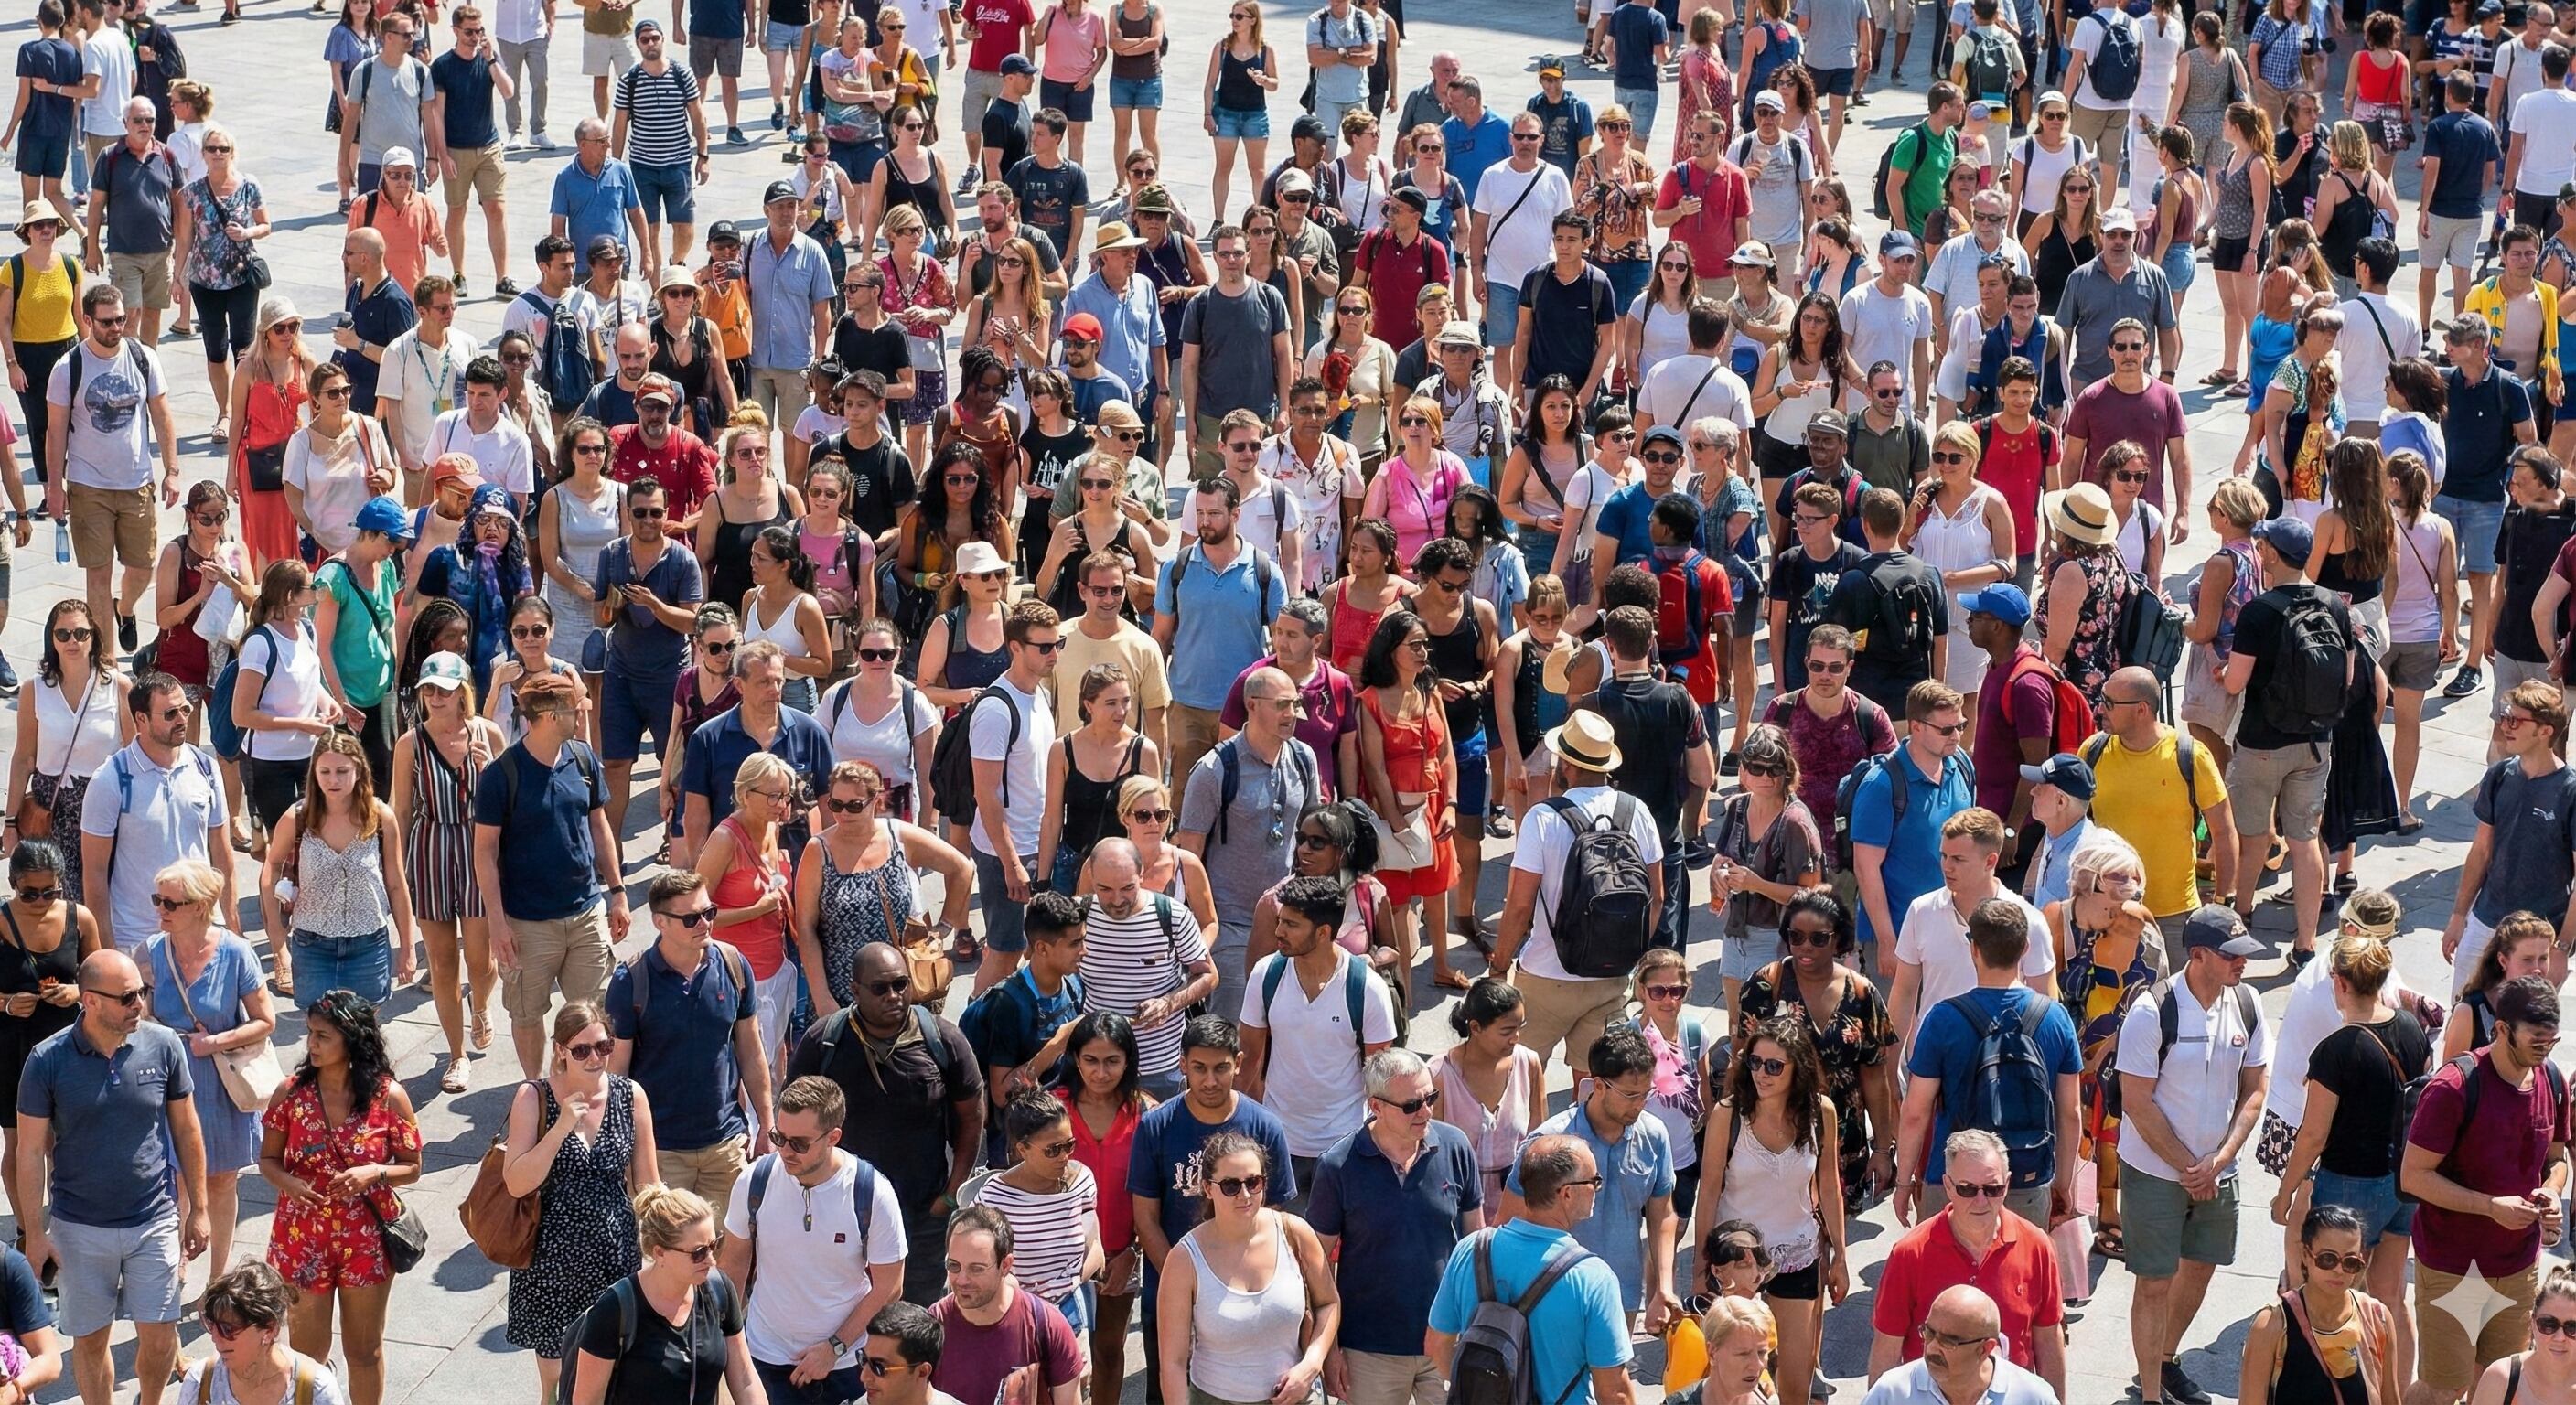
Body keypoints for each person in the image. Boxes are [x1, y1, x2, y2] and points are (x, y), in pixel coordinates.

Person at [16, 949, 209, 1405]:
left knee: (160, 1338)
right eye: (126, 998)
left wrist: (199, 1209)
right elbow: (28, 1151)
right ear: (90, 1000)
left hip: (154, 1219)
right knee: (90, 1342)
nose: (139, 1004)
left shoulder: (164, 1045)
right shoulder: (47, 1059)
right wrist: (34, 1234)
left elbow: (187, 1129)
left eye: (141, 992)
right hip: (79, 1227)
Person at [2117, 906, 2273, 1405]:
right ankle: (2149, 1395)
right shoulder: (2152, 1011)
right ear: (2198, 954)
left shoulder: (2247, 1003)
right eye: (2232, 954)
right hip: (2155, 1171)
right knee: (2155, 1281)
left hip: (2217, 1170)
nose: (2243, 962)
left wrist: (2221, 1159)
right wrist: (2191, 1167)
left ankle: (2163, 1361)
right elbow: (2137, 1102)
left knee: (2201, 1265)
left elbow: (2255, 1089)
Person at [785, 940, 985, 1306]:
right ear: (855, 990)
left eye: (900, 984)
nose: (893, 996)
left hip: (922, 1216)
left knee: (916, 1318)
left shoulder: (943, 1040)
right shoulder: (824, 1042)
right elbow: (792, 1122)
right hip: (842, 1215)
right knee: (845, 1311)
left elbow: (972, 1118)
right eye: (880, 988)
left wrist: (949, 1196)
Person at [2405, 974, 2572, 1405]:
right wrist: (2489, 1206)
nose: (2545, 1051)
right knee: (2446, 1387)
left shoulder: (2552, 1080)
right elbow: (2414, 1176)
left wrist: (2551, 1190)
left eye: (2552, 1041)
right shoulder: (2454, 1087)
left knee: (2502, 1384)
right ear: (2501, 1029)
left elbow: (2557, 1158)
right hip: (2452, 1265)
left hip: (2518, 1266)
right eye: (2536, 1041)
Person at [256, 992, 422, 1405]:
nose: (311, 1044)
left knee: (365, 1351)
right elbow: (268, 1160)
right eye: (310, 1033)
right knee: (307, 1357)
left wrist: (373, 1173)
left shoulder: (389, 1096)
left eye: (322, 1036)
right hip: (302, 1238)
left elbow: (412, 1167)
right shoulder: (290, 1094)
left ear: (352, 1041)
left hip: (365, 1241)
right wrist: (289, 1183)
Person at [1127, 1017, 1293, 1405]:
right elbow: (1146, 1219)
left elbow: (1273, 1216)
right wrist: (1184, 1286)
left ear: (1238, 1063)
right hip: (1169, 1292)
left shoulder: (1265, 1127)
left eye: (1221, 1068)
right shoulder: (1155, 1127)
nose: (1210, 1080)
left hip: (1243, 1301)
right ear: (1182, 1064)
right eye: (1199, 1068)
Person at [474, 670, 628, 1079]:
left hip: (586, 913)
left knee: (593, 1013)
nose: (582, 714)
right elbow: (484, 853)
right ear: (549, 716)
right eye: (575, 708)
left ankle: (584, 1088)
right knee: (527, 1013)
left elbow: (600, 826)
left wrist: (617, 892)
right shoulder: (501, 775)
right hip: (527, 923)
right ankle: (536, 1089)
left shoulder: (583, 758)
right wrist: (497, 923)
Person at [714, 1074, 905, 1405]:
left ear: (833, 1137)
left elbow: (890, 1287)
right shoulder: (754, 1181)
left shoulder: (872, 1192)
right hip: (765, 1358)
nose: (785, 1151)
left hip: (845, 1365)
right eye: (779, 1137)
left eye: (800, 1144)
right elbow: (732, 1268)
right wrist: (725, 1344)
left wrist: (834, 1347)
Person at [605, 867, 774, 1225]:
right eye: (692, 918)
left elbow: (751, 1052)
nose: (705, 924)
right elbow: (617, 1073)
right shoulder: (631, 981)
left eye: (709, 912)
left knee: (728, 1250)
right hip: (660, 1150)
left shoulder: (733, 966)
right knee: (666, 1252)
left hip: (726, 1144)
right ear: (660, 922)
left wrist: (767, 1123)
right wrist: (622, 1147)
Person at [2221, 517, 2355, 963]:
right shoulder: (2334, 604)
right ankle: (2306, 943)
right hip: (2317, 742)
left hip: (2262, 743)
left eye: (2263, 546)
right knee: (2304, 840)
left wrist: (2223, 672)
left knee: (2254, 835)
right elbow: (2347, 677)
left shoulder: (2259, 611)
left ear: (2273, 556)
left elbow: (2235, 683)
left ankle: (2241, 912)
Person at [1868, 1130, 2067, 1398]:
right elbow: (1887, 1348)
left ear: (2007, 1184)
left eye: (1993, 1189)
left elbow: (2049, 1340)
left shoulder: (2037, 1246)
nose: (1981, 1200)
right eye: (1967, 1189)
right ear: (1948, 1186)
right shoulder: (1910, 1254)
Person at [46, 283, 181, 665]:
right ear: (88, 321)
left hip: (137, 482)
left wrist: (172, 469)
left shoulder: (143, 358)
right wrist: (55, 487)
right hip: (88, 485)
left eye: (121, 319)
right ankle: (104, 662)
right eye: (107, 322)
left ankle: (126, 607)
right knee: (97, 576)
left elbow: (162, 416)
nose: (116, 328)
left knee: (142, 568)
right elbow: (55, 433)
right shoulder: (68, 368)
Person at [1156, 1130, 1340, 1405]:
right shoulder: (1184, 1259)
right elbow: (1173, 1362)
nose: (1244, 1195)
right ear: (1207, 1188)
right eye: (1230, 1185)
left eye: (1253, 1182)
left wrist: (1311, 1365)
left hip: (1295, 1397)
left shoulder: (1296, 1233)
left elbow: (1329, 1303)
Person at [794, 757, 971, 1012]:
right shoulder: (819, 851)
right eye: (836, 804)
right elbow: (806, 928)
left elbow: (962, 868)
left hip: (901, 991)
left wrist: (944, 927)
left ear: (876, 802)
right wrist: (822, 998)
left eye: (854, 806)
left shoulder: (898, 836)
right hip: (843, 993)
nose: (843, 814)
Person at [2084, 665, 2238, 952]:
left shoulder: (2190, 756)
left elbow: (2224, 831)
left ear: (2141, 710)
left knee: (2175, 983)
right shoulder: (2093, 751)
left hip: (2174, 915)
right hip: (2108, 912)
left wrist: (2222, 902)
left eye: (2109, 703)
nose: (2100, 709)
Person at [563, 1185, 762, 1405]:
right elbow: (587, 1401)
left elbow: (745, 1379)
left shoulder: (719, 1290)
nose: (711, 1260)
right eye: (698, 1253)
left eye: (713, 1245)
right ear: (659, 1253)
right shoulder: (614, 1310)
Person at [80, 671, 231, 958]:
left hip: (200, 932)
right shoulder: (111, 779)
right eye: (170, 714)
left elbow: (222, 855)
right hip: (137, 939)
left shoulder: (206, 768)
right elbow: (94, 872)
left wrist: (232, 929)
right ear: (141, 719)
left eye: (185, 709)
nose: (182, 719)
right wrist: (108, 951)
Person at [259, 731, 412, 1013]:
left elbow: (396, 884)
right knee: (321, 1028)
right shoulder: (298, 817)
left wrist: (407, 946)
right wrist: (278, 940)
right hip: (312, 944)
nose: (333, 780)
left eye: (342, 771)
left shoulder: (380, 818)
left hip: (368, 942)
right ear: (314, 774)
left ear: (359, 771)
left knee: (364, 1030)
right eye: (325, 772)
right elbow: (271, 867)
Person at [2442, 682, 2576, 992]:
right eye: (2505, 716)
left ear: (2545, 731)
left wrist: (2561, 947)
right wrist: (2459, 916)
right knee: (2463, 1008)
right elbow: (2481, 851)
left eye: (2516, 720)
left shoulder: (2569, 792)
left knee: (2523, 1019)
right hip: (2486, 919)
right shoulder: (2499, 775)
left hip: (2538, 936)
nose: (2505, 726)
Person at [596, 477, 708, 842]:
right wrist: (613, 606)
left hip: (668, 677)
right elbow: (599, 616)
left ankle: (670, 839)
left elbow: (693, 622)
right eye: (640, 513)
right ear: (628, 513)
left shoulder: (682, 559)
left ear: (667, 513)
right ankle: (611, 848)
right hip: (621, 673)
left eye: (656, 513)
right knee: (615, 762)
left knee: (671, 765)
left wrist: (655, 606)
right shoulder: (612, 554)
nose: (648, 520)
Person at [5, 602, 127, 908]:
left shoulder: (117, 686)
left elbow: (134, 755)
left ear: (93, 636)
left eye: (80, 633)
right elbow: (23, 759)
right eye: (63, 634)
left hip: (103, 804)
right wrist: (10, 823)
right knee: (60, 901)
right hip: (52, 809)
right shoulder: (34, 689)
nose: (72, 641)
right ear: (52, 638)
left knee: (108, 895)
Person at [927, 1205, 1083, 1405]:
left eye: (977, 1269)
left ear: (1006, 1265)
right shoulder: (931, 1327)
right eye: (953, 1265)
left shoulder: (1047, 1325)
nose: (962, 1280)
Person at [1859, 1285, 2056, 1405]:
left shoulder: (2033, 1396)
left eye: (1948, 1341)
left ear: (1985, 1349)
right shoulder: (1891, 1393)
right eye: (1929, 1333)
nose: (1932, 1347)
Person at [184, 1265, 353, 1405]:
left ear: (270, 1329)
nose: (214, 1337)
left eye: (227, 1329)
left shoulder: (316, 1390)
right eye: (211, 1324)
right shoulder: (200, 1382)